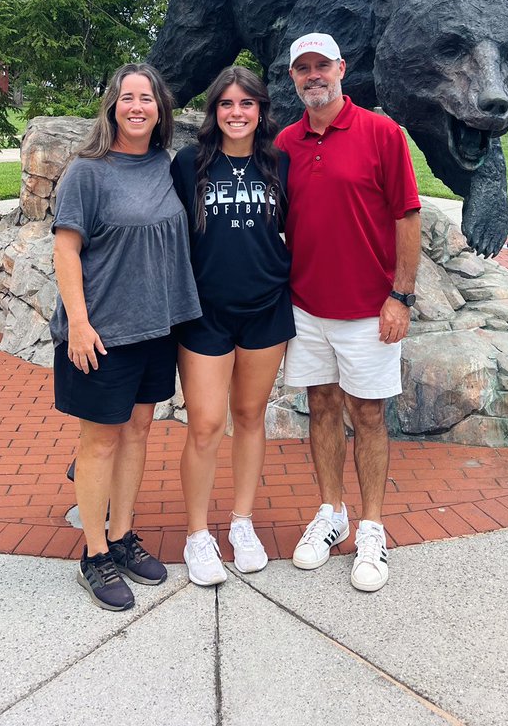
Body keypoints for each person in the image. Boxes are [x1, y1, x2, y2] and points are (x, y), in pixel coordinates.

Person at [50, 62, 202, 612]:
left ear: (160, 109)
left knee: (138, 431)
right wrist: (81, 323)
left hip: (155, 328)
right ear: (112, 106)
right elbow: (66, 250)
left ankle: (122, 535)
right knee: (100, 441)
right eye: (128, 97)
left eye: (148, 98)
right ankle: (94, 554)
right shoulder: (87, 173)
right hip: (101, 333)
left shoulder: (166, 166)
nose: (138, 107)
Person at [276, 33, 422, 593]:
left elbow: (406, 217)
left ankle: (371, 526)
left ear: (342, 68)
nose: (313, 76)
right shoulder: (286, 143)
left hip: (369, 309)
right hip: (307, 306)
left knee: (367, 415)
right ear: (293, 77)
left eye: (322, 66)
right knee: (321, 407)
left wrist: (400, 296)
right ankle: (331, 512)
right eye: (302, 69)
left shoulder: (381, 133)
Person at [171, 66, 295, 586]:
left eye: (246, 103)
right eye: (226, 104)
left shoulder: (280, 164)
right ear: (213, 111)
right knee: (203, 424)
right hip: (205, 312)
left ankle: (241, 523)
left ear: (260, 109)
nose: (237, 113)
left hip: (266, 307)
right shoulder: (189, 163)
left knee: (249, 416)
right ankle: (197, 533)